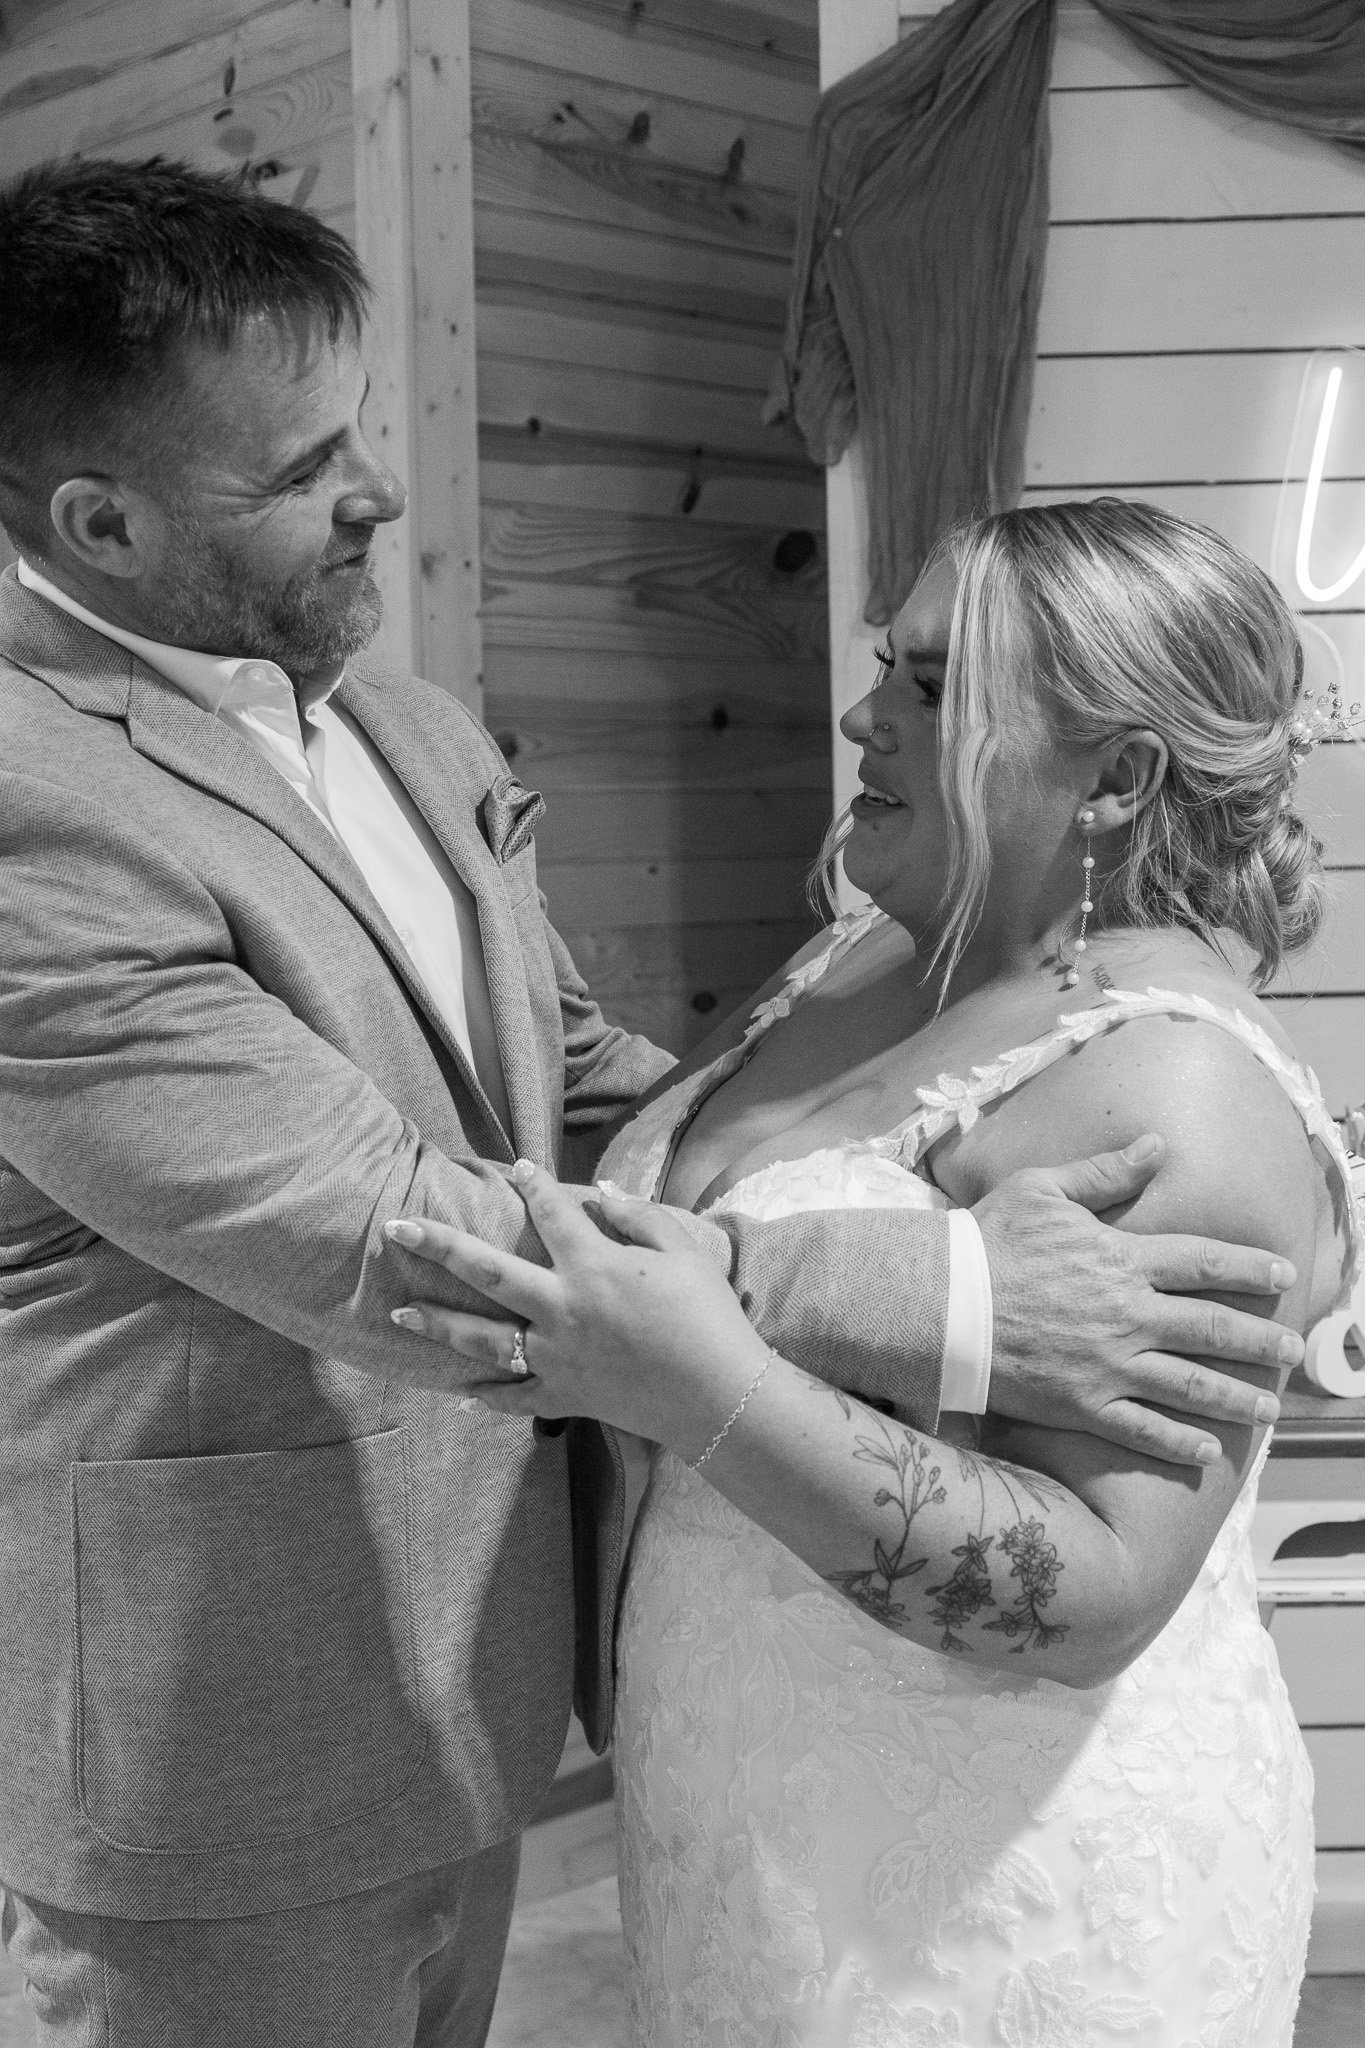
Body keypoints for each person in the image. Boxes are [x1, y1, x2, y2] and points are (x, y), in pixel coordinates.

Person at [0, 157, 1299, 2041]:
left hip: (565, 1716)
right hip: (225, 1726)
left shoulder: (408, 730)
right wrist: (949, 1288)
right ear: (100, 522)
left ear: (1112, 774)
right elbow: (388, 1230)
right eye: (298, 471)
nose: (375, 492)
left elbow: (585, 1095)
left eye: (356, 428)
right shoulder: (32, 807)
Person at [393, 499, 1354, 2046]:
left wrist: (695, 1381)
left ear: (1116, 779)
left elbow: (1100, 1595)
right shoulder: (860, 953)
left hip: (994, 1873)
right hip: (739, 1796)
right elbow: (669, 1202)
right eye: (885, 666)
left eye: (933, 686)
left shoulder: (1178, 1087)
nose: (862, 717)